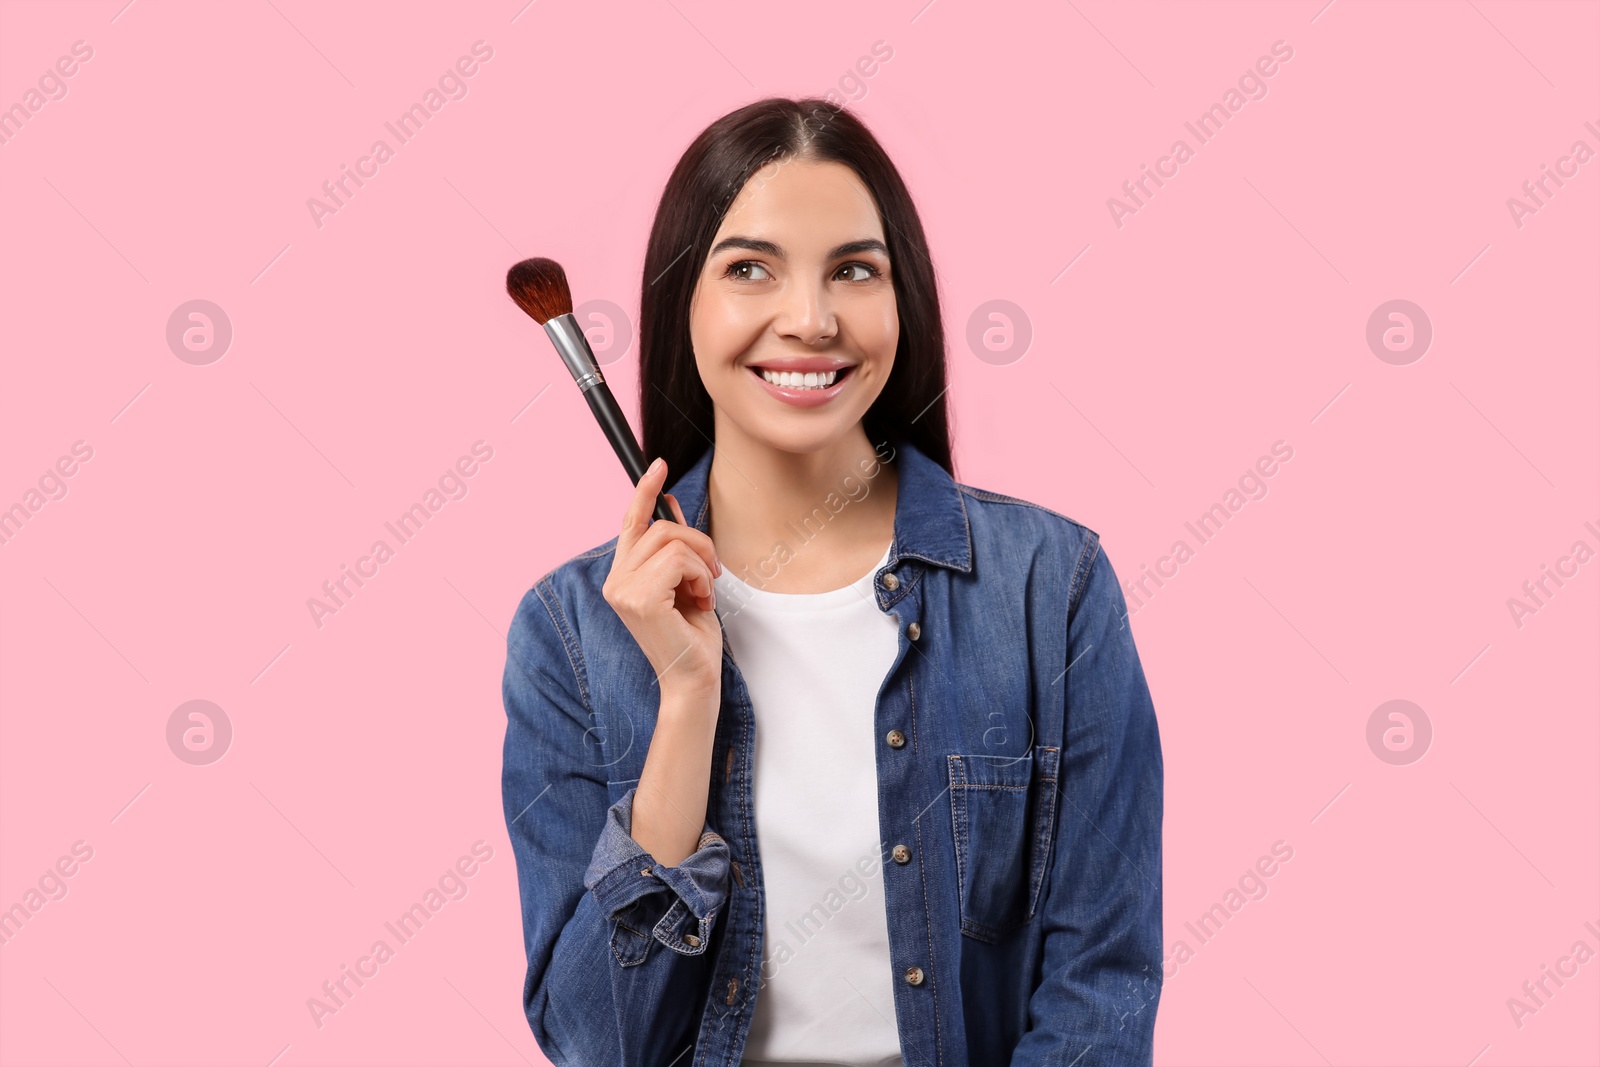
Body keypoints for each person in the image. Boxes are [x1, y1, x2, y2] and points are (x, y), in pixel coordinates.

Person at [501, 97, 1164, 1067]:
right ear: (682, 301)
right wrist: (687, 697)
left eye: (854, 269)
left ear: (906, 302)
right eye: (749, 269)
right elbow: (596, 1042)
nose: (810, 320)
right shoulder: (568, 632)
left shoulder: (1048, 589)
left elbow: (1100, 983)